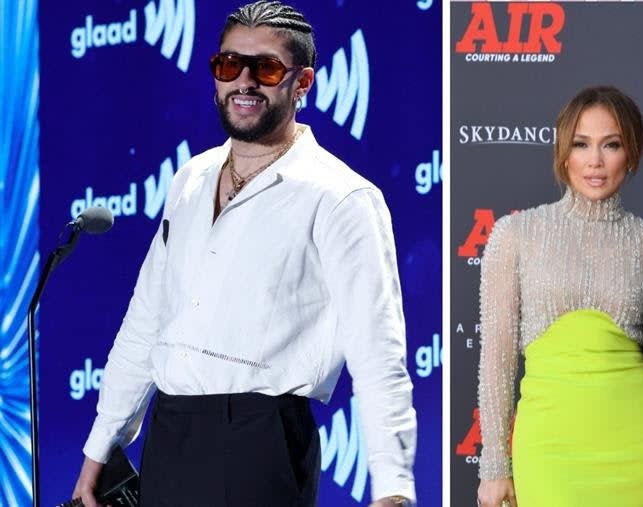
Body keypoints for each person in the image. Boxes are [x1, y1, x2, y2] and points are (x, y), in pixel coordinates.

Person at [70, 2, 416, 506]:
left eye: (267, 68)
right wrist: (99, 448)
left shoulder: (341, 197)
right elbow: (146, 319)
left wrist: (393, 492)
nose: (244, 82)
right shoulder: (190, 179)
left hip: (262, 442)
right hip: (168, 438)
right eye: (229, 65)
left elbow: (378, 354)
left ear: (303, 83)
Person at [476, 86, 643, 507]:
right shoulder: (516, 235)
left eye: (611, 145)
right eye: (581, 144)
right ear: (563, 152)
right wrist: (494, 466)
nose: (595, 161)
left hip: (633, 443)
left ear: (630, 153)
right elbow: (498, 357)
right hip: (547, 445)